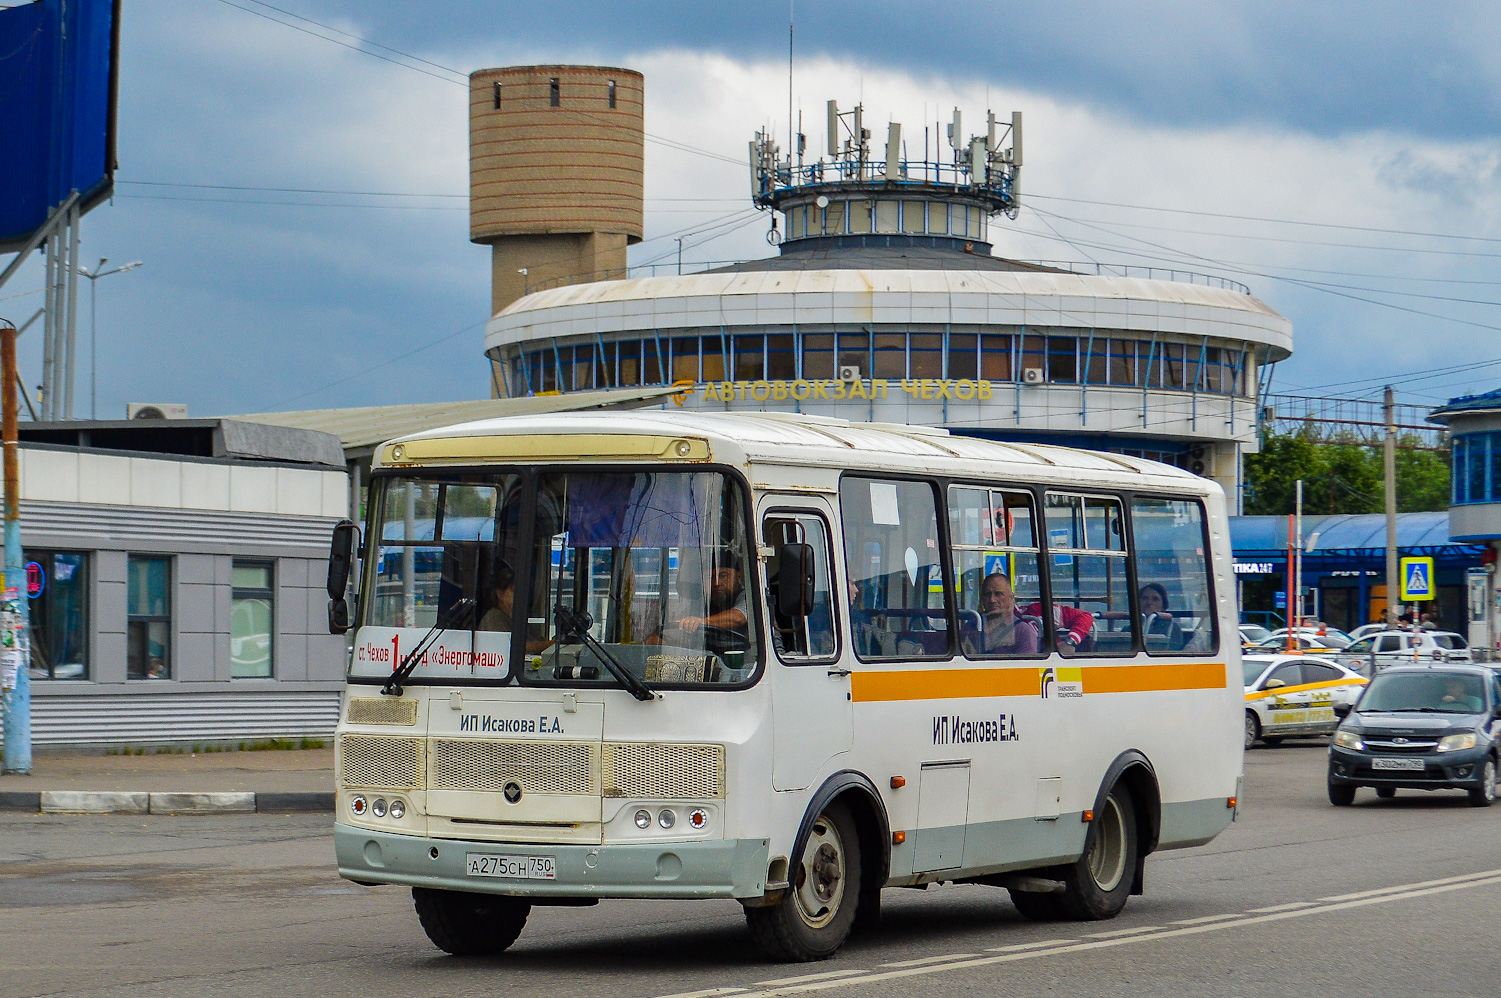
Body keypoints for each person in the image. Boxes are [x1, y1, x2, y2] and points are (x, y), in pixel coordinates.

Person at [964, 573, 1039, 656]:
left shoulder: (1022, 631)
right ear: (982, 599)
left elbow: (1026, 663)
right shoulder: (970, 627)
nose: (992, 600)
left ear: (1011, 598)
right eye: (987, 594)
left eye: (998, 594)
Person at [1020, 598, 1094, 655]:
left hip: (1054, 660)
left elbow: (1085, 616)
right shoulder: (1016, 617)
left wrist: (1070, 642)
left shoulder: (1035, 610)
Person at [1139, 582, 1187, 651]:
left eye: (1155, 599)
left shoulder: (1172, 628)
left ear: (1163, 605)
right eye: (1145, 598)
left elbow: (1171, 652)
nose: (1149, 602)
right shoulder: (1129, 629)